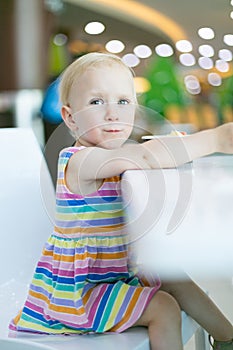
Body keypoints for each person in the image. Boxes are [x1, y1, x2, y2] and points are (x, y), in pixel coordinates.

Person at [10, 52, 233, 350]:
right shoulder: (81, 161)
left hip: (112, 272)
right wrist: (215, 140)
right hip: (80, 293)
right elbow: (144, 156)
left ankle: (227, 337)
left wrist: (172, 148)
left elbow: (148, 152)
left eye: (123, 102)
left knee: (172, 274)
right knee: (163, 306)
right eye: (96, 102)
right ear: (70, 118)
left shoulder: (116, 155)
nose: (113, 113)